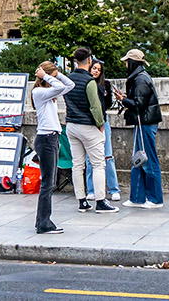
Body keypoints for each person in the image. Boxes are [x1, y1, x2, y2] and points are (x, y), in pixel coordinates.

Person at [63, 47, 115, 214]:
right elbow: (95, 105)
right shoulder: (89, 82)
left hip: (71, 124)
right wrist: (100, 123)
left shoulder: (69, 80)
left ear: (75, 61)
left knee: (77, 165)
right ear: (90, 60)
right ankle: (100, 201)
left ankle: (82, 201)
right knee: (98, 163)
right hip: (88, 126)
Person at [32, 60, 74, 234]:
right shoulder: (39, 92)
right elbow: (58, 88)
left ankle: (41, 221)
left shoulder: (46, 93)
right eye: (52, 75)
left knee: (48, 182)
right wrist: (48, 75)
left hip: (51, 138)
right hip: (46, 139)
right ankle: (44, 223)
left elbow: (70, 85)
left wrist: (56, 74)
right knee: (48, 183)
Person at [121, 48, 164, 208]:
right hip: (143, 122)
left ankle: (155, 198)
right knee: (139, 159)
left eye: (127, 61)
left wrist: (123, 100)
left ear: (132, 63)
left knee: (148, 160)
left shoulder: (140, 80)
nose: (125, 64)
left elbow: (139, 105)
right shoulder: (141, 77)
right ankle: (137, 197)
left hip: (144, 122)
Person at [81, 59, 122, 202]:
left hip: (103, 122)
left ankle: (113, 189)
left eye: (99, 69)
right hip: (88, 123)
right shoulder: (85, 83)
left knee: (108, 156)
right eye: (94, 68)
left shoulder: (106, 85)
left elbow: (108, 104)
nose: (96, 71)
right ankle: (91, 189)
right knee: (89, 159)